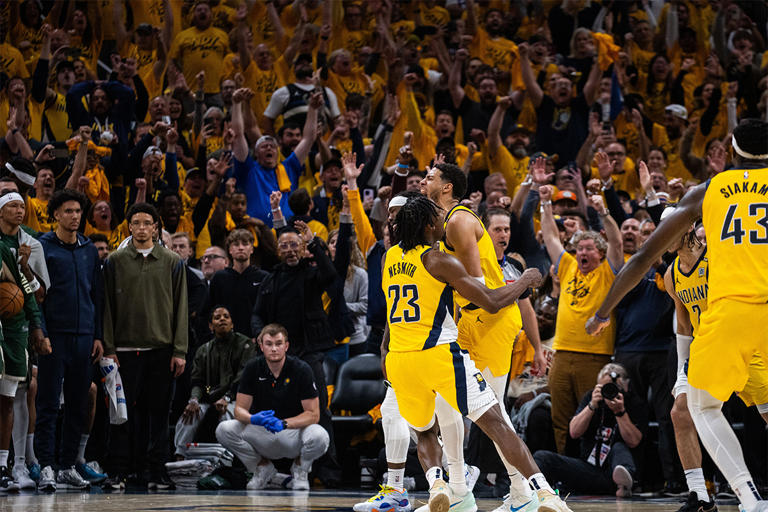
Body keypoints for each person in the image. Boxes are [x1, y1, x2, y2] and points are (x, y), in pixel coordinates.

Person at [586, 119, 768, 512]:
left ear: (733, 152)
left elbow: (640, 258)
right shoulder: (676, 273)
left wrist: (604, 311)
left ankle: (750, 499)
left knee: (701, 407)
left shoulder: (710, 191)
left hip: (733, 312)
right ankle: (701, 495)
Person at [382, 195, 571, 512]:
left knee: (425, 431)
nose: (446, 222)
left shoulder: (389, 258)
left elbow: (389, 319)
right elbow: (492, 301)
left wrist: (385, 356)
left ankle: (439, 485)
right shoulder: (438, 261)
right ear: (429, 225)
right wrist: (525, 280)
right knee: (496, 421)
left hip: (400, 358)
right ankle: (544, 495)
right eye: (439, 217)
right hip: (438, 354)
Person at [420, 161, 545, 511]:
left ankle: (523, 493)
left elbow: (476, 284)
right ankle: (459, 488)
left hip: (491, 319)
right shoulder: (439, 222)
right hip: (467, 321)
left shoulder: (458, 220)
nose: (423, 179)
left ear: (447, 187)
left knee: (491, 413)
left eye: (431, 176)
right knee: (446, 406)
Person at [538, 155, 624, 455]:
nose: (582, 251)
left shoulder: (608, 270)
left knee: (593, 417)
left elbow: (616, 243)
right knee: (560, 419)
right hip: (561, 355)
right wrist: (545, 202)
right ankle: (563, 468)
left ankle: (591, 468)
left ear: (599, 253)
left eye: (588, 248)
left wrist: (604, 213)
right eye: (579, 248)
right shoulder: (568, 266)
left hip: (595, 356)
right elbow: (550, 235)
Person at [102, 202, 188, 491]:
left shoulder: (173, 261)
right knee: (121, 414)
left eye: (146, 223)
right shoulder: (114, 261)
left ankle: (156, 470)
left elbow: (181, 308)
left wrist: (179, 350)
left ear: (155, 227)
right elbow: (107, 309)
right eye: (135, 222)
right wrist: (110, 347)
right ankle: (119, 470)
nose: (141, 228)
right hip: (124, 350)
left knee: (159, 413)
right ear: (129, 227)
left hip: (161, 349)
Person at [34, 190, 104, 490]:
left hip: (84, 335)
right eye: (68, 211)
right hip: (54, 335)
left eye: (78, 211)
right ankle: (46, 465)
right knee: (48, 403)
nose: (74, 216)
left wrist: (98, 335)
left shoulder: (89, 249)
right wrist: (41, 332)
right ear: (56, 215)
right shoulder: (43, 247)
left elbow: (96, 295)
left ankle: (66, 465)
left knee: (77, 402)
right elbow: (36, 297)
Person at [215, 323, 329, 490]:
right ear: (261, 346)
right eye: (269, 344)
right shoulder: (252, 368)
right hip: (262, 431)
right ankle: (262, 468)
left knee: (320, 436)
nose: (274, 349)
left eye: (278, 344)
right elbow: (239, 410)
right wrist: (253, 418)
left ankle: (300, 469)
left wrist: (284, 423)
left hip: (293, 433)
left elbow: (313, 414)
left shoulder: (302, 369)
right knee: (224, 429)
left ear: (286, 346)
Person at [661, 209, 719, 512]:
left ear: (686, 229)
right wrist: (681, 373)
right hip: (702, 350)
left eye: (666, 229)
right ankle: (700, 496)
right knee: (679, 413)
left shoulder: (717, 258)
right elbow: (683, 325)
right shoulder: (671, 274)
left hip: (735, 343)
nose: (661, 237)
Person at [534, 363, 644, 498]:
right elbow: (574, 432)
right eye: (605, 388)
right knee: (542, 457)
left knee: (619, 447)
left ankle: (624, 485)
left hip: (616, 471)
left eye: (615, 388)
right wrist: (591, 406)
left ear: (626, 387)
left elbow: (634, 441)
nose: (609, 393)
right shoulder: (591, 398)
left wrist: (619, 412)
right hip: (589, 469)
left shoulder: (633, 402)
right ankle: (533, 493)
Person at [231, 87, 320, 225]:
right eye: (264, 146)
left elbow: (308, 138)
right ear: (256, 153)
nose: (269, 148)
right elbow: (238, 135)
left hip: (287, 232)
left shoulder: (288, 167)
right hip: (257, 232)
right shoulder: (248, 169)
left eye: (272, 146)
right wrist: (236, 104)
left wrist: (313, 109)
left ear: (277, 152)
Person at [175, 306, 255, 459]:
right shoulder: (203, 350)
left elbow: (243, 377)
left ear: (232, 323)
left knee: (226, 419)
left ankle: (230, 461)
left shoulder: (245, 345)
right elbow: (198, 381)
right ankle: (180, 460)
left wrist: (227, 398)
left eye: (226, 316)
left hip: (237, 399)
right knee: (189, 415)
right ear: (211, 326)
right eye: (217, 317)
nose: (222, 319)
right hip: (209, 397)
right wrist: (194, 400)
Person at [205, 229, 268, 338]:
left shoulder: (264, 277)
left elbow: (268, 312)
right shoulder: (219, 278)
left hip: (255, 340)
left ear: (252, 249)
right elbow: (207, 311)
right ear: (229, 250)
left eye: (245, 244)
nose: (241, 247)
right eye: (236, 244)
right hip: (225, 340)